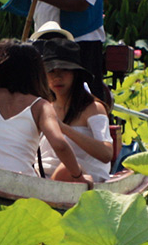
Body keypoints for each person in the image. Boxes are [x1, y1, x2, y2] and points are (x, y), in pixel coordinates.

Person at [0, 42, 90, 184]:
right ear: (38, 73)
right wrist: (78, 176)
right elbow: (60, 145)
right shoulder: (42, 106)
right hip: (17, 181)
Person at [39, 39, 113, 182]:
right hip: (43, 177)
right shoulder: (43, 107)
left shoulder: (94, 109)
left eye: (64, 70)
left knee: (65, 169)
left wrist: (62, 128)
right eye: (51, 71)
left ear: (75, 74)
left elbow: (106, 153)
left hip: (82, 178)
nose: (57, 77)